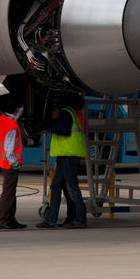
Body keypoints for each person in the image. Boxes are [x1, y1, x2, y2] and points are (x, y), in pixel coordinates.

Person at [37, 94, 88, 229]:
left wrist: (55, 118)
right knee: (55, 186)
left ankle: (80, 219)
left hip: (68, 155)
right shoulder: (72, 113)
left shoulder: (65, 112)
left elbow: (62, 130)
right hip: (68, 155)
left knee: (71, 187)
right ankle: (50, 220)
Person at [0, 101, 26, 230]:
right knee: (8, 194)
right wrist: (15, 164)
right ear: (16, 109)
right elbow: (9, 151)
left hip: (3, 163)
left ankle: (11, 219)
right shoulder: (12, 127)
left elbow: (15, 116)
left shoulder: (3, 118)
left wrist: (21, 108)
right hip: (10, 165)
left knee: (11, 192)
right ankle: (2, 220)